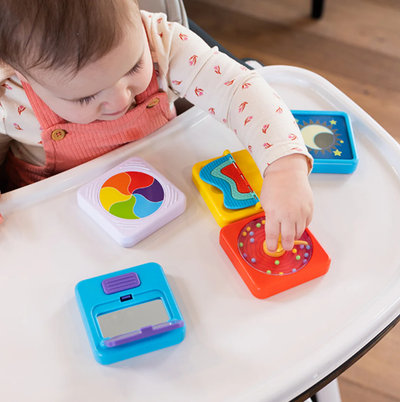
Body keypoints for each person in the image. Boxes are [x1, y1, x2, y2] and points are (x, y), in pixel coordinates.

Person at [0, 0, 313, 252]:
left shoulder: (162, 44)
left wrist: (284, 168)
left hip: (170, 200)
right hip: (64, 233)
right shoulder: (9, 99)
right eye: (86, 97)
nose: (120, 99)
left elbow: (238, 91)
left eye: (134, 66)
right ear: (21, 75)